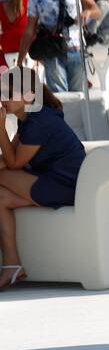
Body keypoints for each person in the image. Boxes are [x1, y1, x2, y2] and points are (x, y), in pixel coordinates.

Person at [0, 65, 86, 288]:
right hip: (53, 181)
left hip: (66, 185)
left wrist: (0, 128)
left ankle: (11, 266)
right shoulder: (29, 119)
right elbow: (11, 157)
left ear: (28, 96)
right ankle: (12, 265)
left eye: (8, 93)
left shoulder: (39, 121)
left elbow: (14, 163)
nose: (2, 99)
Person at [19, 0, 100, 92]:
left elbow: (96, 10)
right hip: (53, 52)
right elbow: (29, 30)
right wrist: (21, 59)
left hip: (77, 49)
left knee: (79, 95)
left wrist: (87, 13)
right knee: (61, 98)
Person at [0, 0, 29, 65]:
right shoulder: (29, 2)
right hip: (25, 48)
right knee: (28, 78)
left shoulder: (1, 6)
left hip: (7, 47)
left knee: (12, 78)